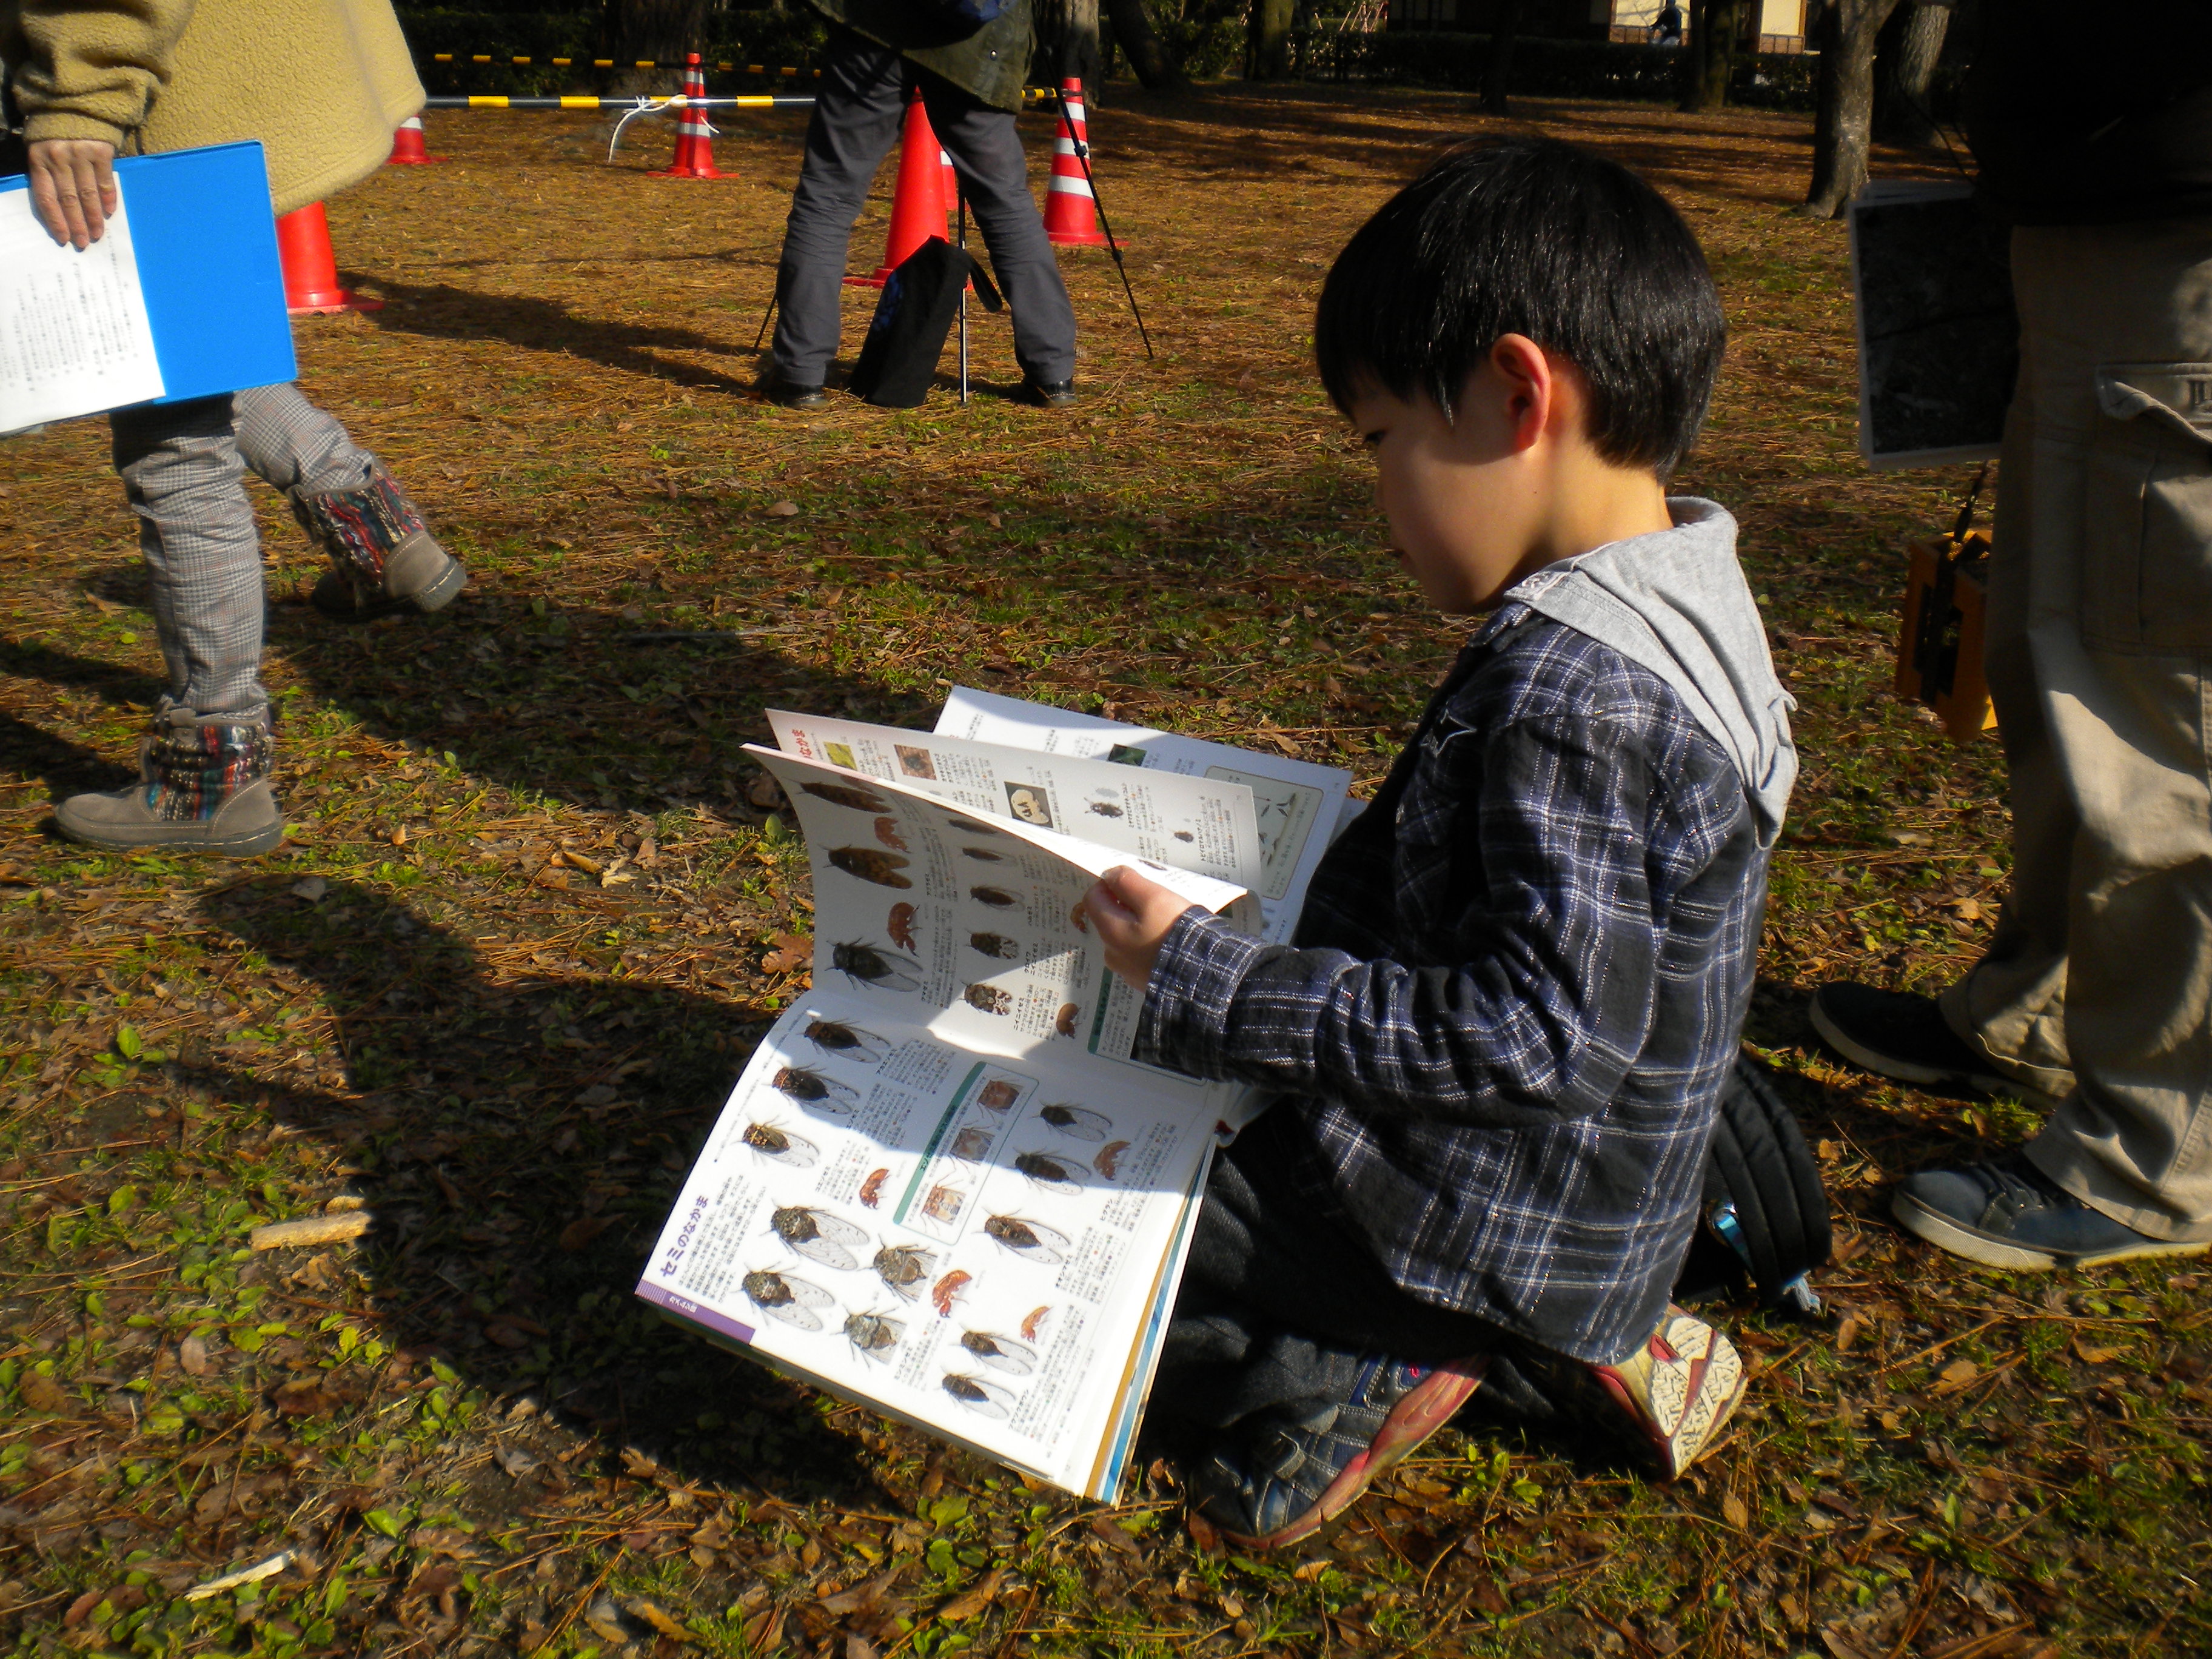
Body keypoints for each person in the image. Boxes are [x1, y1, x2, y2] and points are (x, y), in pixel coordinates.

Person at [1081, 138, 1797, 1549]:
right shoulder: (1684, 586)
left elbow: (1530, 1039)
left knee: (1106, 1214)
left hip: (1495, 1214)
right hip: (1588, 1191)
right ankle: (1544, 1328)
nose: (1380, 489)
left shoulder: (1576, 690)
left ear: (1516, 395)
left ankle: (1369, 1361)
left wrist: (1210, 979)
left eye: (1383, 439)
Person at [1808, 4, 2212, 1271]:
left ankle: (2158, 1154)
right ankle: (2035, 1007)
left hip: (2181, 233)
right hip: (2091, 216)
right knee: (2052, 661)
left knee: (2155, 717)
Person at [3, 0, 465, 856]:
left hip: (149, 89)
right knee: (181, 350)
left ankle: (212, 773)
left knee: (172, 435)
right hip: (208, 74)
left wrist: (82, 96)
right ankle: (376, 533)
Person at [763, 0, 1079, 409]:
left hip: (874, 29)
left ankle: (800, 377)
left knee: (828, 198)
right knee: (1006, 204)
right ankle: (1052, 376)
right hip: (978, 46)